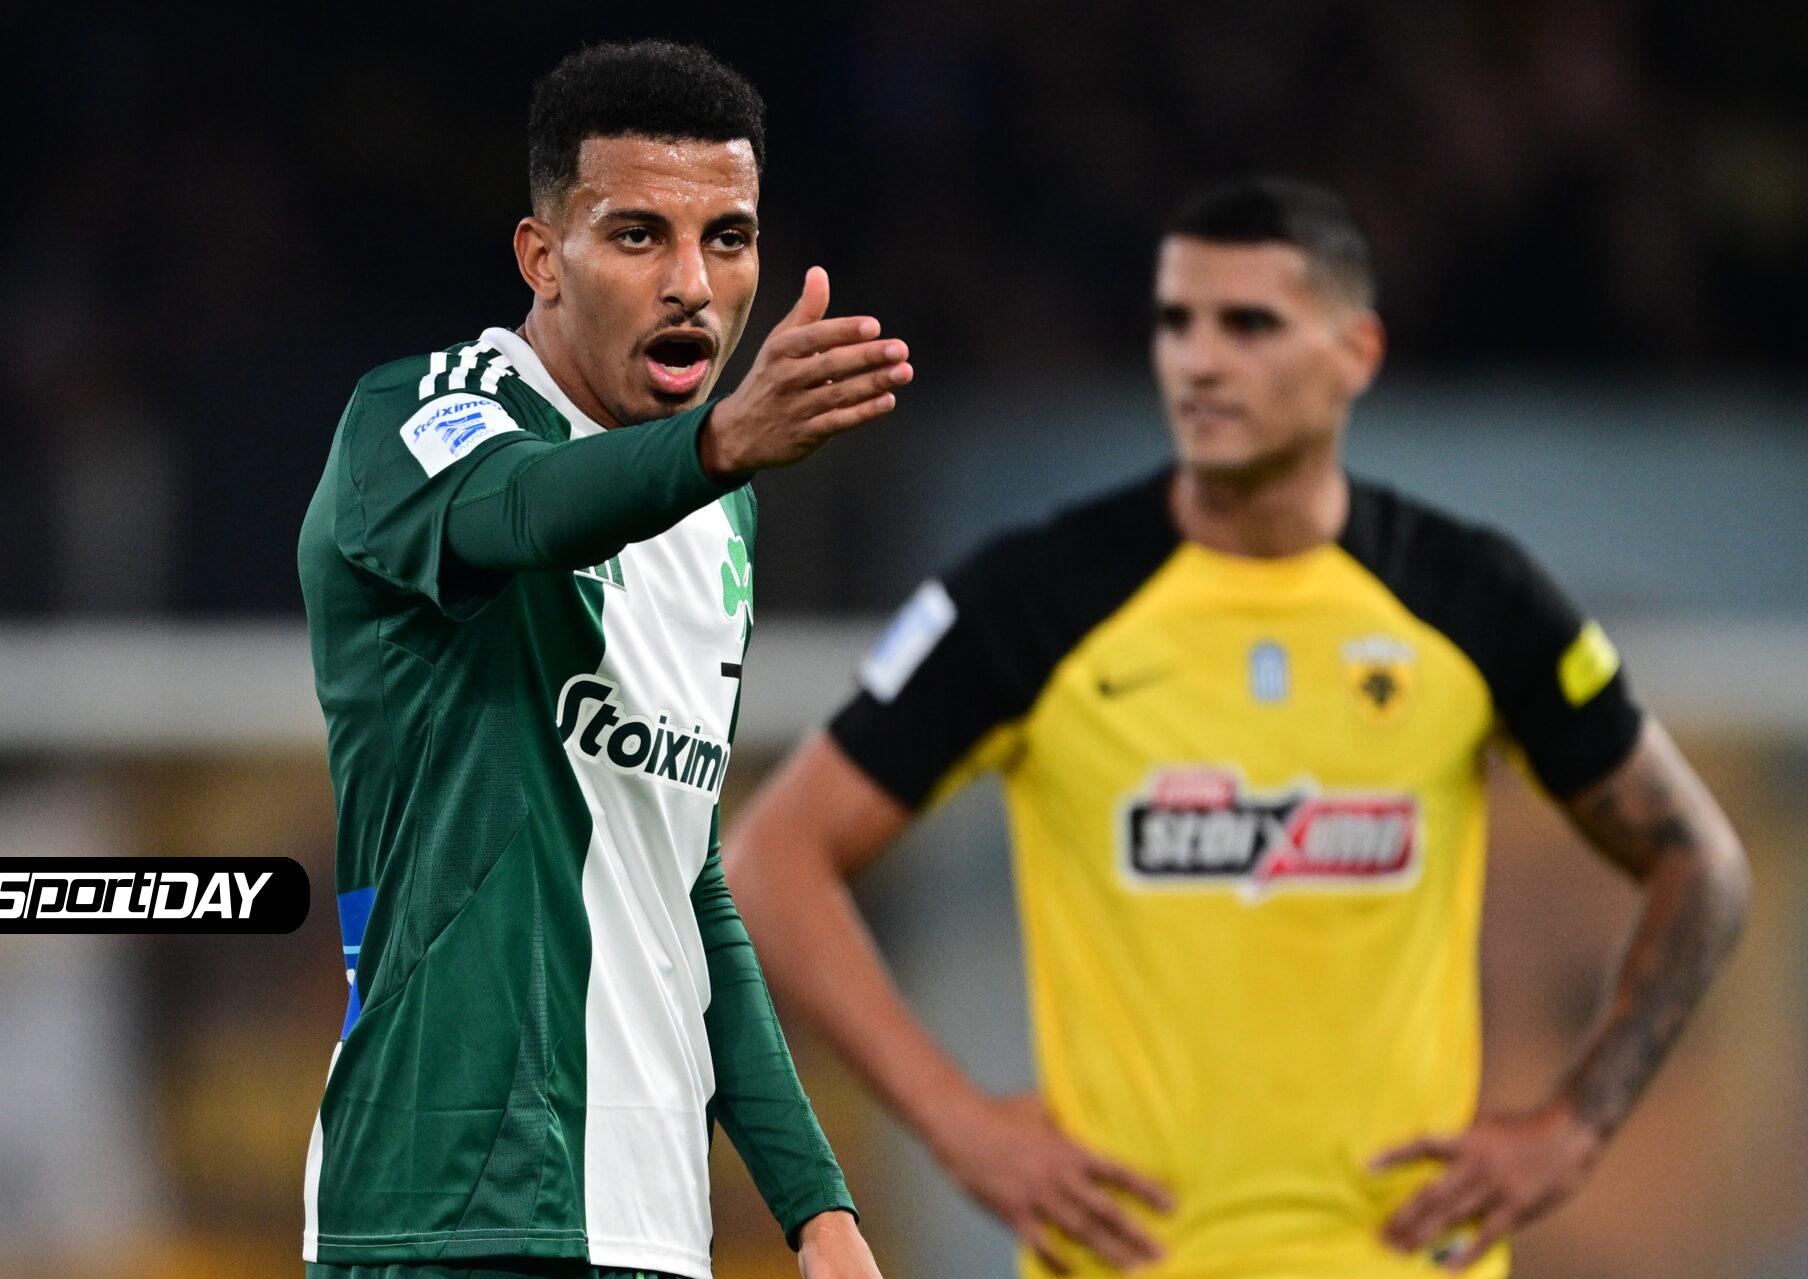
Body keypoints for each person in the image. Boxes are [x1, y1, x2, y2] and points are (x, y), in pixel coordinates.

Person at [725, 178, 1750, 1278]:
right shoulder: (1038, 600)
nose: (1200, 361)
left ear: (1356, 352)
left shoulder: (1471, 597)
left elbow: (1705, 866)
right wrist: (959, 1125)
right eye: (1178, 322)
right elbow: (772, 858)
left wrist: (1575, 1127)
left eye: (1249, 324)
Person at [297, 40, 908, 1279]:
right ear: (543, 257)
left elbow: (683, 881)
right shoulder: (418, 420)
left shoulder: (717, 513)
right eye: (638, 236)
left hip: (651, 1220)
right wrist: (719, 445)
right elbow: (519, 512)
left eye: (727, 239)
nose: (692, 284)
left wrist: (816, 1207)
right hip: (448, 1211)